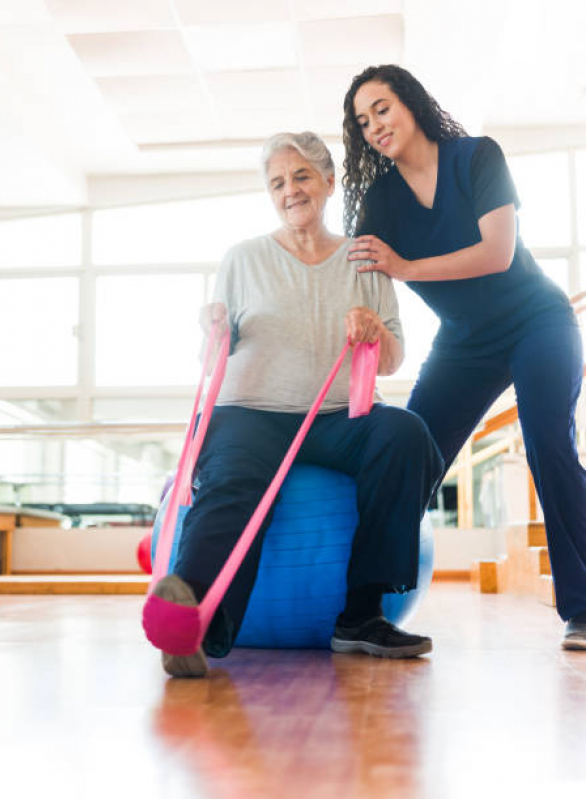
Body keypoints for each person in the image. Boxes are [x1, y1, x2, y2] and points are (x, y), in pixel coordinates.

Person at [153, 131, 443, 677]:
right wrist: (214, 329)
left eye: (302, 176)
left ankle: (361, 617)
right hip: (250, 410)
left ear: (329, 182)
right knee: (233, 482)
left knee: (404, 434)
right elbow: (215, 354)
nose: (291, 191)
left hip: (335, 416)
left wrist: (375, 330)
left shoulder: (365, 256)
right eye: (278, 182)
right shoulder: (242, 258)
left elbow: (391, 361)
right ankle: (191, 618)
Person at [342, 64, 586, 651]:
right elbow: (354, 276)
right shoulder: (381, 200)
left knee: (548, 441)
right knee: (410, 452)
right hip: (464, 342)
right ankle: (360, 614)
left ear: (411, 103)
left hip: (538, 321)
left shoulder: (477, 156)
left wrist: (406, 268)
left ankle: (583, 609)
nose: (374, 125)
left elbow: (497, 252)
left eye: (382, 108)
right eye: (361, 121)